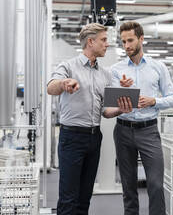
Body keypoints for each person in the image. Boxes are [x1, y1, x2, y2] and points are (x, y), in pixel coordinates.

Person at [47, 23, 132, 215]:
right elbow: (51, 87)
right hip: (72, 138)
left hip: (94, 137)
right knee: (69, 197)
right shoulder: (68, 67)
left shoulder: (105, 74)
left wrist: (121, 109)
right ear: (90, 42)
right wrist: (63, 83)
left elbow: (106, 111)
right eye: (103, 40)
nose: (107, 44)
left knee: (85, 196)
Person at [111, 21, 173, 215]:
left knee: (156, 184)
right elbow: (112, 102)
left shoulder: (158, 67)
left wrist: (153, 101)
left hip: (149, 130)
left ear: (141, 39)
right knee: (128, 185)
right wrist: (122, 89)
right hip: (123, 130)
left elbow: (172, 99)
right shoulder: (116, 69)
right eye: (123, 42)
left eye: (130, 40)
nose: (126, 46)